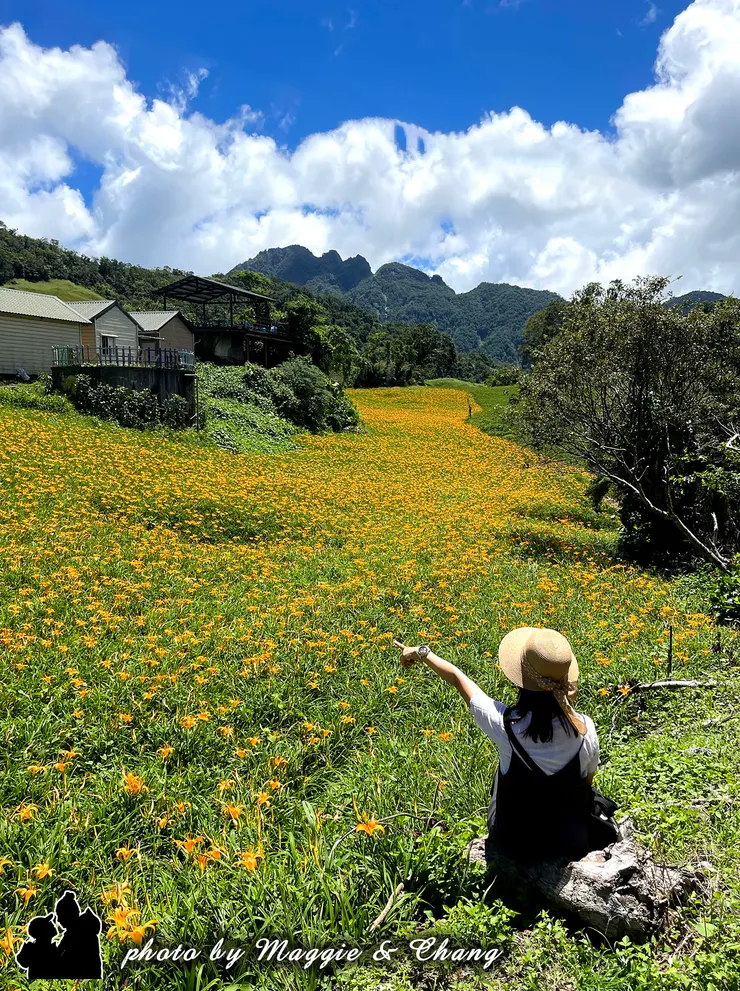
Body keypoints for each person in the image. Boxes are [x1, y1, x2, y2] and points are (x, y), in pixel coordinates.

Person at [394, 626, 617, 863]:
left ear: (521, 680)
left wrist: (421, 652)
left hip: (516, 841)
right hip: (568, 840)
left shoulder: (506, 726)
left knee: (506, 772)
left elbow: (458, 679)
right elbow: (587, 781)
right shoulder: (586, 729)